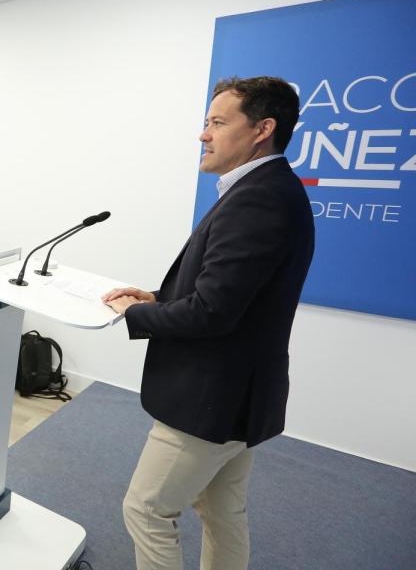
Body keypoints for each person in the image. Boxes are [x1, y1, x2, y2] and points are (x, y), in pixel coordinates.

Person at [102, 76, 314, 570]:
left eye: (217, 123)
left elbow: (212, 312)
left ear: (262, 129)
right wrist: (156, 296)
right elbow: (234, 295)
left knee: (147, 510)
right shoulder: (269, 188)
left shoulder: (258, 198)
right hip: (241, 398)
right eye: (206, 123)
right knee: (221, 509)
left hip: (211, 398)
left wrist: (136, 313)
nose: (204, 135)